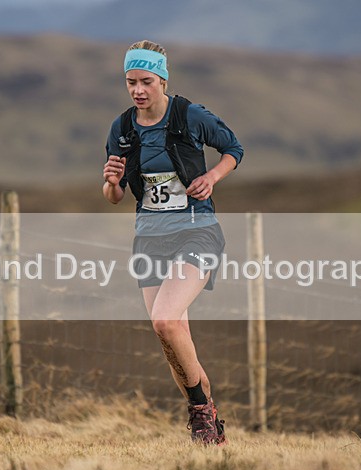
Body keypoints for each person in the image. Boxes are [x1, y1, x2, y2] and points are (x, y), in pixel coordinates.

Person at [102, 40, 243, 446]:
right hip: (149, 238)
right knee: (171, 332)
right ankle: (207, 417)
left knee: (165, 318)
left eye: (146, 81)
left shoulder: (189, 115)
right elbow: (114, 196)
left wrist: (212, 177)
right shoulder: (123, 128)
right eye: (130, 82)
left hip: (197, 230)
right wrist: (111, 182)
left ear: (163, 79)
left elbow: (234, 148)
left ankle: (199, 411)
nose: (138, 90)